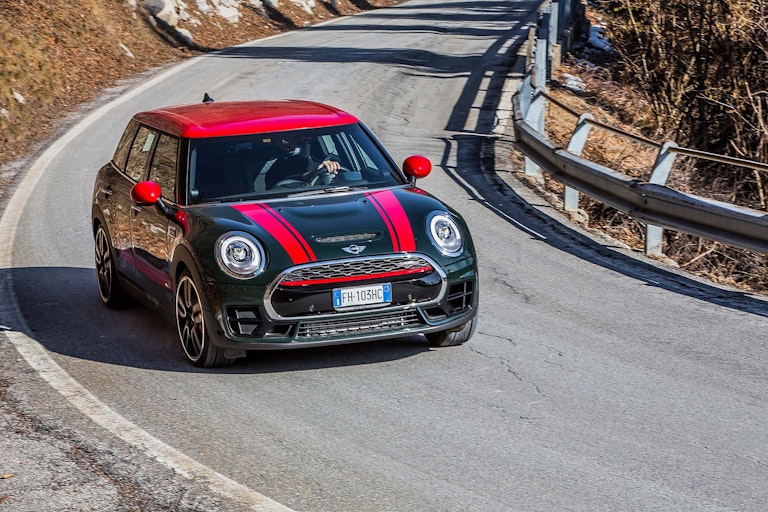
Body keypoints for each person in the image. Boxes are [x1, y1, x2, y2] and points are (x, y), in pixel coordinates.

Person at [265, 137, 340, 188]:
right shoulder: (279, 166)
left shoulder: (315, 160)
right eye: (300, 143)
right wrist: (314, 172)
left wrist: (332, 167)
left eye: (308, 142)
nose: (305, 146)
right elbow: (283, 180)